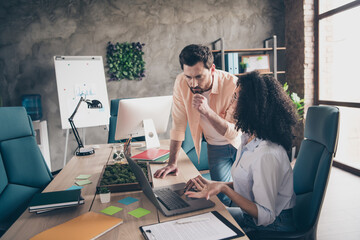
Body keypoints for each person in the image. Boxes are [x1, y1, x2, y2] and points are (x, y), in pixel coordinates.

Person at [184, 71, 298, 233]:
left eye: (236, 97)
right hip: (252, 218)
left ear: (251, 105)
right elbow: (248, 183)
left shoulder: (266, 154)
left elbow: (266, 216)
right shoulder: (246, 139)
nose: (230, 102)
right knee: (196, 218)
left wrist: (225, 190)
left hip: (273, 227)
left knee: (203, 228)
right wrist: (215, 184)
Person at [153, 44, 241, 205]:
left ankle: (249, 225)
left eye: (199, 77)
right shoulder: (181, 83)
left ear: (212, 69)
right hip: (215, 146)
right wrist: (172, 162)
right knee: (222, 198)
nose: (193, 83)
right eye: (188, 77)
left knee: (246, 190)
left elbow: (234, 133)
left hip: (240, 145)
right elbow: (178, 124)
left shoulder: (232, 84)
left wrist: (207, 111)